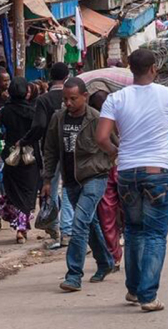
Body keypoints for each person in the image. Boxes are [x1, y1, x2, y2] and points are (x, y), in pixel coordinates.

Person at [96, 49, 168, 312]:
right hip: (157, 172)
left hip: (127, 172)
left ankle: (134, 289)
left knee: (134, 231)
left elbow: (102, 137)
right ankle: (148, 296)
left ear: (130, 68)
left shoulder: (115, 99)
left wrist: (117, 153)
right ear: (153, 69)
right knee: (155, 235)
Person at [42, 77, 117, 292]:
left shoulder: (97, 119)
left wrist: (108, 164)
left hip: (95, 178)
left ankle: (74, 275)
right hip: (71, 180)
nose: (68, 103)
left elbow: (115, 144)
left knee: (79, 224)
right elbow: (50, 151)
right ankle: (105, 262)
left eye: (73, 98)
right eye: (65, 99)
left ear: (84, 96)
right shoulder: (58, 119)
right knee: (89, 222)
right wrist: (47, 179)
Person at [26, 62, 72, 245]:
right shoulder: (71, 96)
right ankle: (67, 230)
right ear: (67, 76)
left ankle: (53, 226)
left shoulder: (43, 100)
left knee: (50, 187)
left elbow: (38, 125)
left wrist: (27, 141)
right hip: (70, 146)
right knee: (68, 187)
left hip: (49, 149)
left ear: (50, 77)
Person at [0, 78, 39, 244]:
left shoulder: (4, 111)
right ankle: (22, 228)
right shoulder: (33, 111)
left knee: (13, 190)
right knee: (28, 191)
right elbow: (39, 130)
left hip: (10, 154)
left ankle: (19, 228)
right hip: (30, 155)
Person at [89, 90, 123, 265]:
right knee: (120, 213)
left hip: (106, 170)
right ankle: (117, 253)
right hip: (118, 168)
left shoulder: (95, 121)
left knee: (107, 215)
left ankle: (114, 254)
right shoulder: (118, 118)